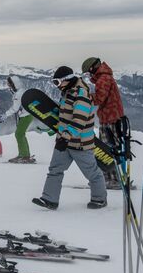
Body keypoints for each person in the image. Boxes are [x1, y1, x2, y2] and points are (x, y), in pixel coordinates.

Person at [32, 66, 107, 210]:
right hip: (64, 141)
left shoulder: (81, 94)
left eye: (57, 82)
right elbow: (64, 117)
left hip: (80, 144)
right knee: (55, 169)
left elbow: (79, 120)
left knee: (92, 172)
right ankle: (50, 199)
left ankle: (100, 199)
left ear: (67, 79)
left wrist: (65, 137)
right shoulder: (67, 92)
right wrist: (60, 135)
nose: (57, 86)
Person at [82, 57, 125, 189]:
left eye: (89, 73)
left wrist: (83, 96)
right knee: (107, 149)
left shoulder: (103, 79)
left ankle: (113, 179)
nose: (89, 77)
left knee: (108, 149)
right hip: (111, 117)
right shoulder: (104, 77)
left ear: (92, 68)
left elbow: (99, 98)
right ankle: (109, 177)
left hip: (110, 119)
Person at [1, 76, 34, 163]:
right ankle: (24, 155)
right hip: (27, 115)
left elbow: (15, 108)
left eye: (9, 84)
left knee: (19, 134)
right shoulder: (20, 91)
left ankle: (24, 156)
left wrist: (5, 115)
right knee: (21, 134)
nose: (8, 85)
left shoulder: (18, 94)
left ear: (14, 84)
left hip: (26, 116)